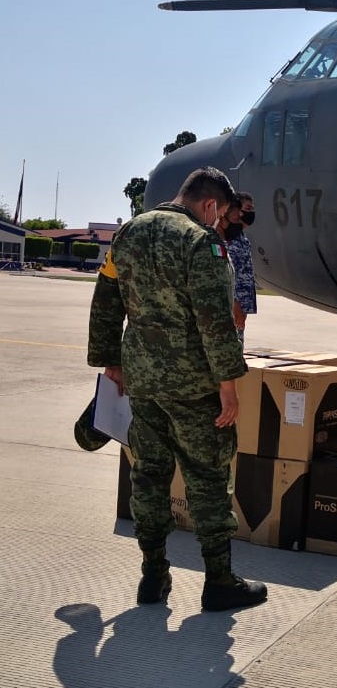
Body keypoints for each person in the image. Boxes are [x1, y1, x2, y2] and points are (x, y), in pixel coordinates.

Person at [87, 166, 267, 613]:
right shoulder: (201, 241)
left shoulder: (128, 233)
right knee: (207, 478)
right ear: (210, 205)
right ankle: (219, 582)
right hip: (193, 386)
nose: (217, 222)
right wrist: (229, 384)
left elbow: (106, 300)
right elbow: (215, 321)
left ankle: (153, 578)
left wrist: (112, 360)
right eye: (220, 214)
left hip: (142, 381)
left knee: (147, 475)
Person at [224, 192, 257, 346]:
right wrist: (235, 302)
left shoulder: (241, 237)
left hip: (240, 304)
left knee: (238, 343)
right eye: (248, 208)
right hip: (233, 304)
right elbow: (227, 273)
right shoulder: (227, 239)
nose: (251, 213)